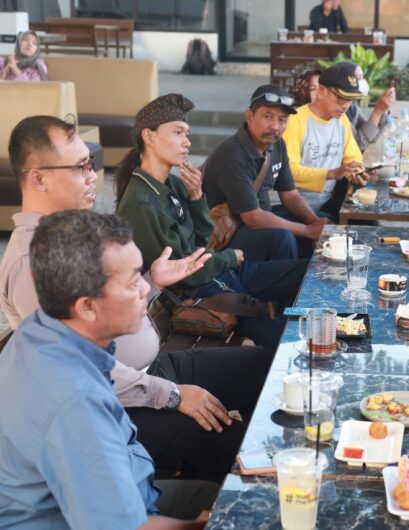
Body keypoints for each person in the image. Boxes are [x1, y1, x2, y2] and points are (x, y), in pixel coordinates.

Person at [1, 114, 272, 484]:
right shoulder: (32, 263)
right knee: (230, 441)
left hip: (149, 374)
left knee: (261, 367)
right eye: (79, 167)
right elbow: (82, 368)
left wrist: (151, 282)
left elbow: (103, 315)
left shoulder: (70, 230)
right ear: (38, 178)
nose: (93, 176)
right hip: (116, 406)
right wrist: (175, 396)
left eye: (91, 164)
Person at [0, 209, 220, 529]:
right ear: (87, 307)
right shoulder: (76, 405)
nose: (144, 289)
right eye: (132, 282)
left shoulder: (43, 328)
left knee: (210, 493)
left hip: (133, 490)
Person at [115, 94, 308, 351]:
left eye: (187, 134)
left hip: (215, 274)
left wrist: (197, 197)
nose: (187, 142)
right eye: (178, 133)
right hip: (201, 294)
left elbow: (202, 240)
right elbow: (185, 273)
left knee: (309, 272)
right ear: (149, 137)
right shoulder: (141, 204)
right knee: (282, 338)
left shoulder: (172, 184)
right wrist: (229, 257)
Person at [202, 85, 327, 260]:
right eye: (268, 117)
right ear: (249, 116)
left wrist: (315, 223)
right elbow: (253, 218)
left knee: (323, 219)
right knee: (282, 239)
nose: (275, 126)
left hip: (256, 218)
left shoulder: (277, 145)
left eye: (282, 120)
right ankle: (286, 277)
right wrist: (308, 231)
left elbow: (290, 195)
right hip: (226, 233)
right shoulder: (232, 154)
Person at [282, 62, 371, 220]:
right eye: (341, 98)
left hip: (323, 203)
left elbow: (352, 158)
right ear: (321, 91)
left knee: (367, 219)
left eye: (350, 100)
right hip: (290, 206)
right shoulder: (295, 121)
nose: (346, 106)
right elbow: (289, 171)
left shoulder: (341, 120)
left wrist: (357, 172)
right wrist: (331, 174)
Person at [345, 62, 394, 151]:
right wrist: (378, 111)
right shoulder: (339, 112)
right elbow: (359, 144)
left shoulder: (352, 105)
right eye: (359, 78)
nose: (363, 82)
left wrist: (384, 108)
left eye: (362, 78)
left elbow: (371, 137)